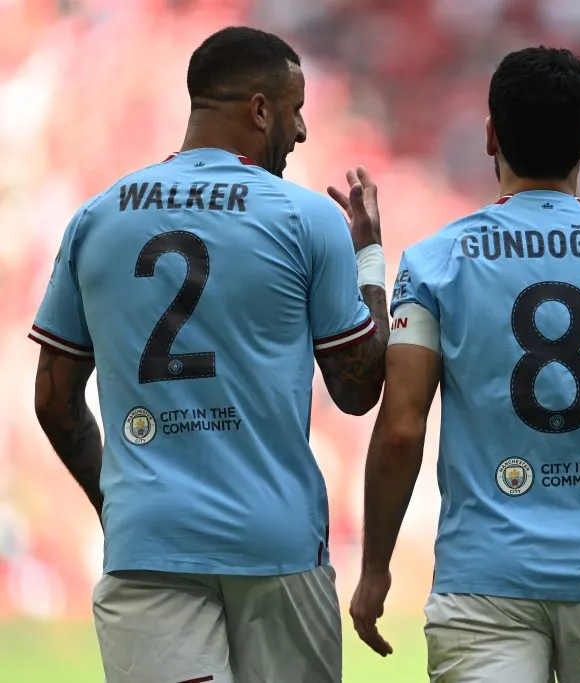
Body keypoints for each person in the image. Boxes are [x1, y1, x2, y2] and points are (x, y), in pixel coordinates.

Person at [29, 26, 388, 683]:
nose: (302, 129)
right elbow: (359, 387)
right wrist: (368, 254)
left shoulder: (95, 217)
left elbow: (53, 397)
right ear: (259, 109)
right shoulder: (307, 219)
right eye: (294, 108)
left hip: (149, 545)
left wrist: (119, 503)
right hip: (276, 544)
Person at [348, 46, 580, 683]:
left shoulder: (435, 262)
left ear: (491, 135)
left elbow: (402, 425)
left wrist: (376, 566)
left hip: (485, 577)